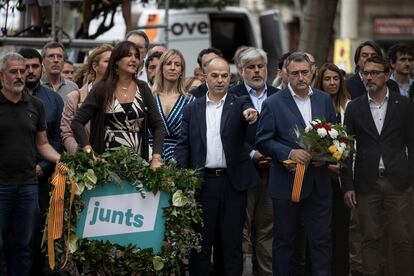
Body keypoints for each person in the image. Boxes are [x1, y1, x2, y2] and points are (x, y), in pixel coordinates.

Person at [175, 57, 259, 275]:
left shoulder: (239, 102)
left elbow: (248, 110)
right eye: (215, 75)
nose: (220, 80)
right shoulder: (192, 109)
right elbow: (183, 146)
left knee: (231, 244)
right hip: (203, 184)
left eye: (224, 76)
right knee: (200, 244)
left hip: (233, 184)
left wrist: (251, 114)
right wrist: (184, 182)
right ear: (204, 77)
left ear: (230, 78)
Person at [256, 52, 336, 276]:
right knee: (284, 242)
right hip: (286, 184)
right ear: (285, 75)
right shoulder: (273, 103)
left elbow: (335, 136)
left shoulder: (323, 99)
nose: (301, 77)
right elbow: (263, 140)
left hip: (319, 183)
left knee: (321, 241)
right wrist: (289, 151)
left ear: (312, 72)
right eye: (295, 73)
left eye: (304, 72)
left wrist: (326, 155)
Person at [341, 55, 413, 276]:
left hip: (399, 183)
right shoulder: (354, 107)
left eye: (374, 73)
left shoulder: (404, 105)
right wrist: (347, 185)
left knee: (402, 238)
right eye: (365, 73)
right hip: (366, 183)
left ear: (387, 74)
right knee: (369, 238)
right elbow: (346, 149)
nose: (368, 77)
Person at [0, 52, 61, 276]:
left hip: (28, 186)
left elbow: (43, 144)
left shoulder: (36, 105)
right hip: (1, 186)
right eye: (13, 72)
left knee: (24, 246)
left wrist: (62, 161)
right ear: (1, 75)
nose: (19, 76)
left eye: (22, 71)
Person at [71, 41, 165, 169]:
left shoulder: (143, 88)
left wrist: (155, 158)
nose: (133, 60)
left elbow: (158, 126)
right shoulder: (101, 88)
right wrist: (89, 153)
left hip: (138, 166)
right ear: (116, 61)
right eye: (128, 55)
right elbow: (77, 122)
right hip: (106, 167)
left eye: (136, 56)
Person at [229, 47, 279, 276]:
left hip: (275, 174)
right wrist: (252, 154)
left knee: (267, 232)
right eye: (251, 67)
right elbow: (227, 135)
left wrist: (275, 153)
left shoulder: (279, 95)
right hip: (243, 174)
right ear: (241, 70)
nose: (257, 71)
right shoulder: (232, 96)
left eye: (261, 66)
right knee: (242, 231)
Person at [315, 63, 351, 276]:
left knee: (341, 228)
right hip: (321, 174)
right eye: (327, 79)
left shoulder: (350, 106)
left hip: (343, 176)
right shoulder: (316, 105)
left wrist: (341, 163)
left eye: (335, 79)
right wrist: (328, 163)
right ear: (320, 81)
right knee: (321, 229)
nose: (332, 83)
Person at [61, 44, 113, 154]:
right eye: (107, 61)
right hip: (86, 163)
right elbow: (67, 133)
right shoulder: (74, 98)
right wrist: (85, 155)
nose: (112, 65)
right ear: (95, 66)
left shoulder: (122, 96)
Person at [150, 49, 194, 161]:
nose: (172, 68)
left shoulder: (190, 100)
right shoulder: (149, 97)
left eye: (177, 64)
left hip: (180, 160)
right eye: (168, 63)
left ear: (181, 70)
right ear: (161, 68)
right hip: (149, 158)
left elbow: (194, 136)